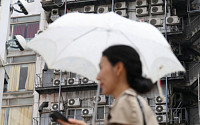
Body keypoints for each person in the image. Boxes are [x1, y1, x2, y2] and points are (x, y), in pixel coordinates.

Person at [57, 45, 159, 125]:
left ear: (118, 68)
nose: (97, 77)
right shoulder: (130, 100)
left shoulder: (126, 103)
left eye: (101, 68)